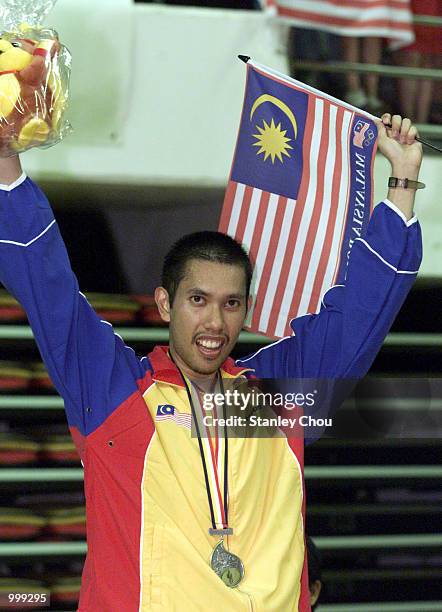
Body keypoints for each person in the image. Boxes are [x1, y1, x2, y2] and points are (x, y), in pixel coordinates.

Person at [0, 113, 423, 611]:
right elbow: (48, 288)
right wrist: (7, 162)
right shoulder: (115, 391)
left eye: (231, 303)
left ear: (247, 309)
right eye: (197, 300)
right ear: (164, 304)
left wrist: (402, 179)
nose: (215, 323)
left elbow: (359, 317)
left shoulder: (271, 399)